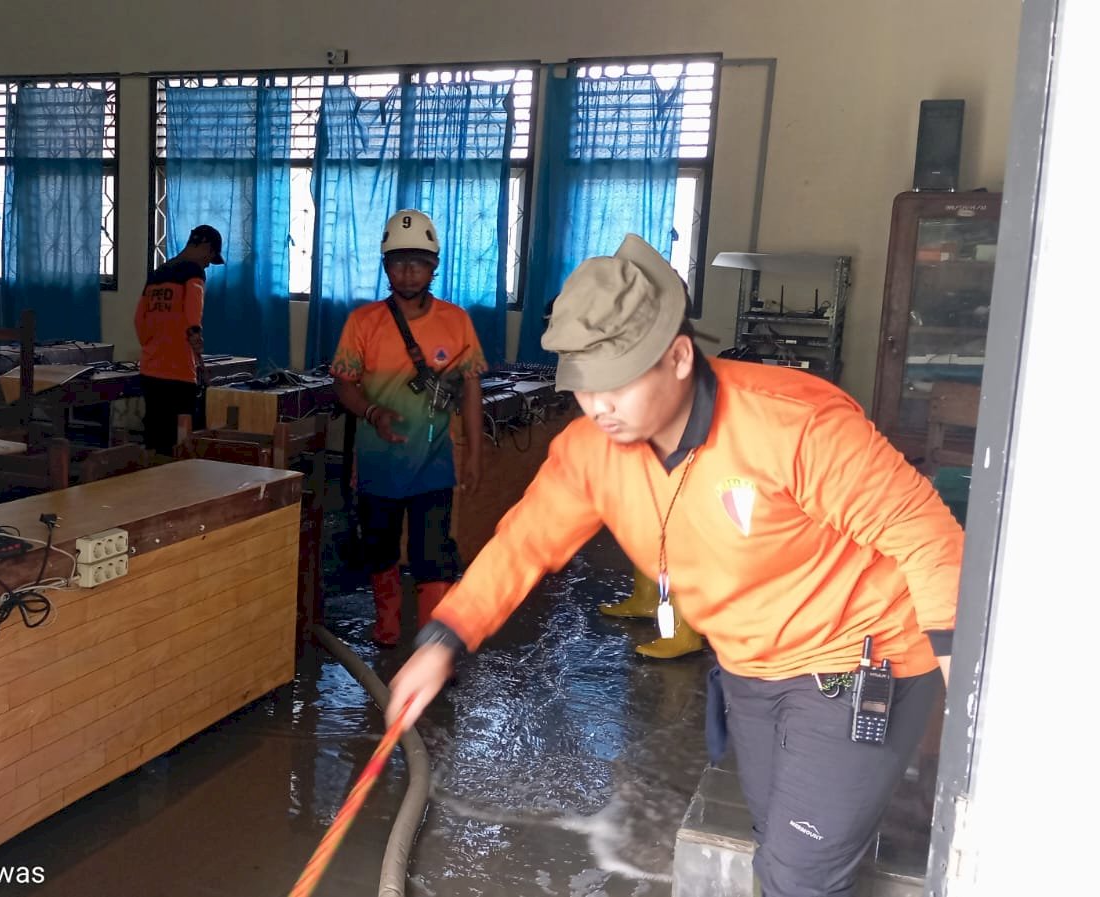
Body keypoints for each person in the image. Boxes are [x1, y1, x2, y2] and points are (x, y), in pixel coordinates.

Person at [387, 234, 962, 897]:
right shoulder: (590, 451)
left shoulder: (792, 424)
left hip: (857, 659)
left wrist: (969, 697)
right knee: (781, 844)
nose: (597, 406)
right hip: (749, 665)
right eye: (582, 385)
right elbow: (524, 542)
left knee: (795, 876)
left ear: (679, 357)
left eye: (617, 382)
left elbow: (929, 536)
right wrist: (443, 638)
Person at [331, 209, 487, 647]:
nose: (408, 271)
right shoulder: (362, 323)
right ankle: (387, 624)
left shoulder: (456, 322)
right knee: (379, 548)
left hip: (433, 467)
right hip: (378, 465)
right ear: (385, 267)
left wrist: (474, 452)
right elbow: (343, 384)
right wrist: (372, 412)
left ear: (434, 265)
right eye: (398, 262)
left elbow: (471, 391)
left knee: (432, 556)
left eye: (417, 262)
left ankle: (432, 642)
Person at [134, 224, 223, 457]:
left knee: (155, 433)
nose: (207, 264)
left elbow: (139, 318)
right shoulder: (194, 271)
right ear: (205, 247)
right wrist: (194, 334)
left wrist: (152, 345)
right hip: (179, 370)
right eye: (210, 257)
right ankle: (178, 486)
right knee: (180, 438)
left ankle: (150, 481)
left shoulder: (158, 272)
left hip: (150, 369)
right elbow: (194, 306)